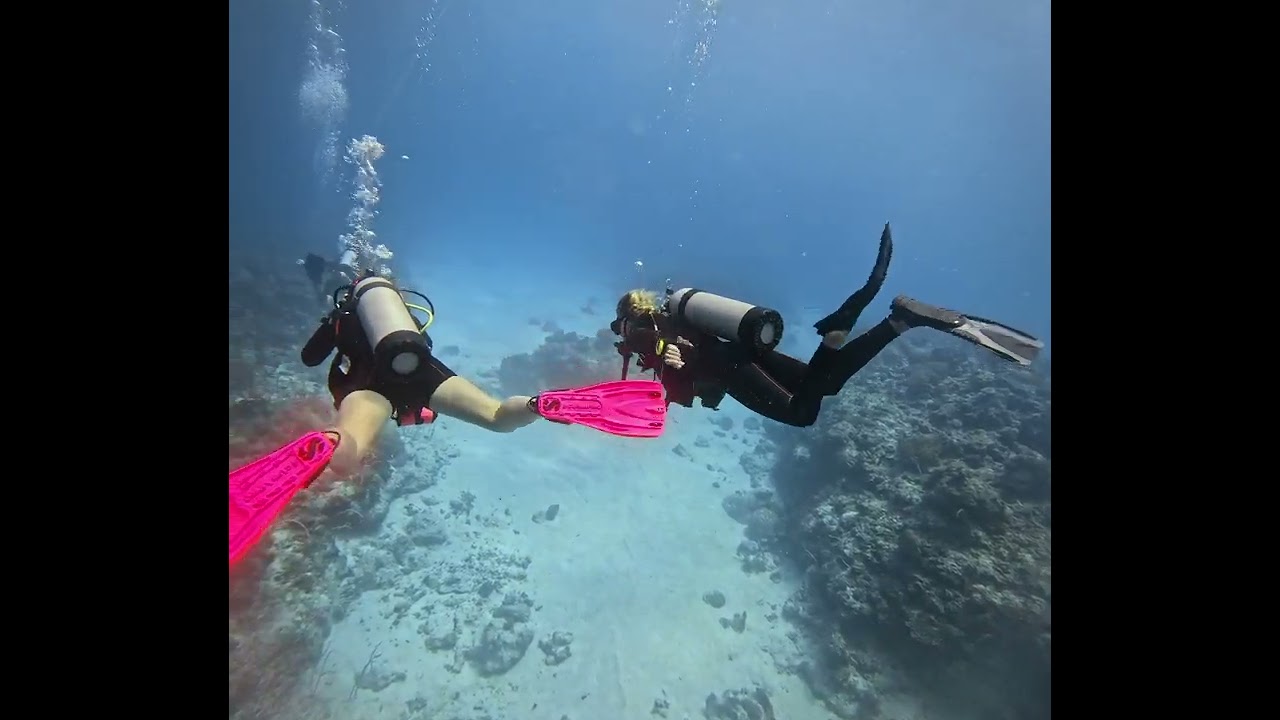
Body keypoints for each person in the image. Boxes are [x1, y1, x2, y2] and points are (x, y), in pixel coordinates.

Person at [609, 223, 1043, 429]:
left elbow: (672, 351)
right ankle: (900, 321)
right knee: (827, 384)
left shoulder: (644, 331)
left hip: (727, 366)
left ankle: (850, 326)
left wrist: (669, 354)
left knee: (802, 413)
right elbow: (676, 352)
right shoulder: (662, 317)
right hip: (739, 351)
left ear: (628, 318)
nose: (620, 335)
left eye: (620, 327)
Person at [303, 269, 544, 475]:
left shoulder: (343, 316)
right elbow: (424, 343)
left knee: (350, 445)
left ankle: (328, 443)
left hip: (370, 388)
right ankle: (536, 405)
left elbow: (310, 358)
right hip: (424, 377)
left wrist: (332, 324)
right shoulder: (402, 315)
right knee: (497, 417)